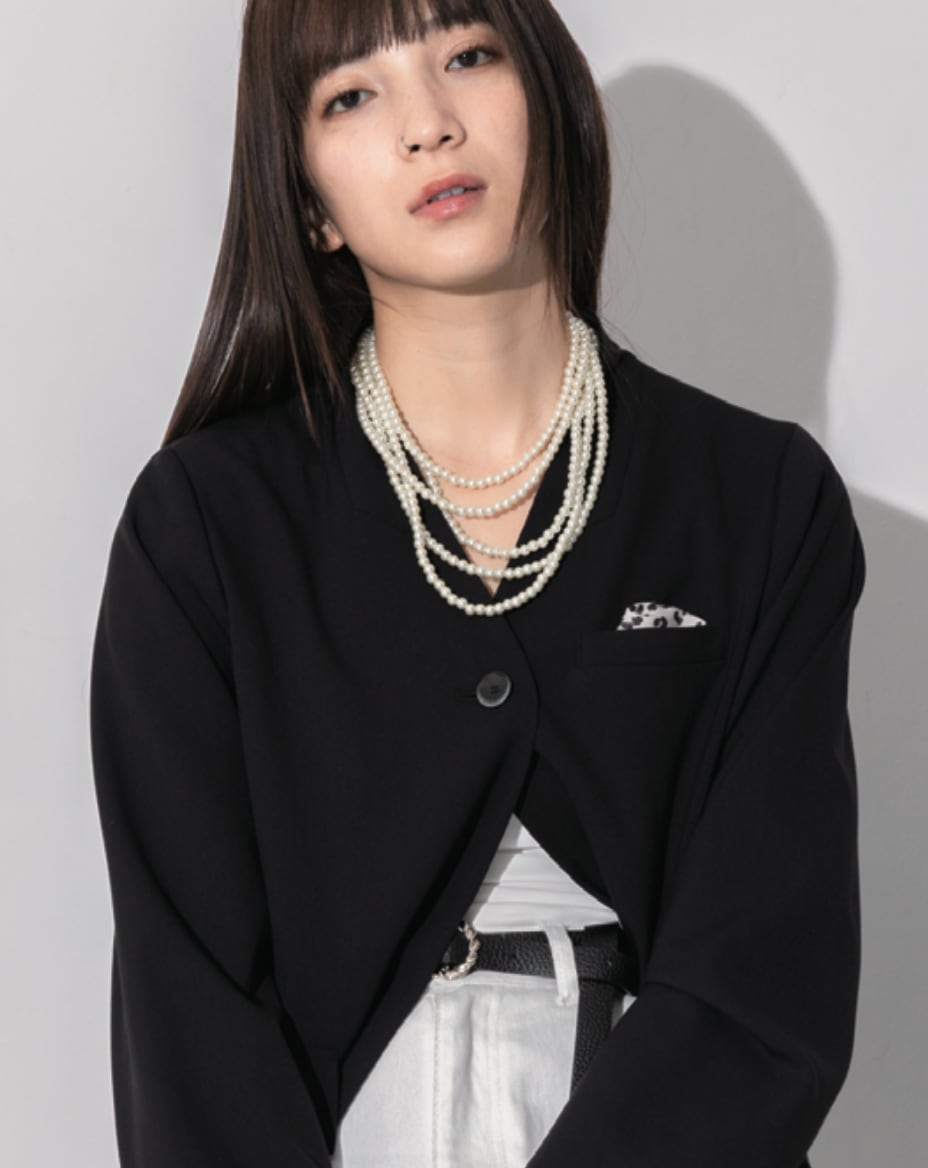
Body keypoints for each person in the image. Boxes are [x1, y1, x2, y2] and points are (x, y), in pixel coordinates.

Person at [88, 1, 867, 1166]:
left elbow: (764, 974)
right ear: (309, 202)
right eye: (352, 95)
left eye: (465, 55)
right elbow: (190, 1004)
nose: (428, 125)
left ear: (550, 101)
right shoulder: (205, 525)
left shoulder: (758, 500)